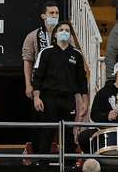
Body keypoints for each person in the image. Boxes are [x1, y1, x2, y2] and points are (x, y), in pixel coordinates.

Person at [31, 22, 88, 161]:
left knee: (68, 133)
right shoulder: (46, 52)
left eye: (67, 30)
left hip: (68, 100)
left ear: (70, 34)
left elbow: (82, 81)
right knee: (47, 132)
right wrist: (36, 97)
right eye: (61, 29)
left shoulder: (77, 54)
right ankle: (42, 166)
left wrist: (85, 103)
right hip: (48, 99)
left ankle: (69, 166)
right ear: (55, 34)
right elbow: (37, 77)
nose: (64, 32)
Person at [21, 1, 61, 99]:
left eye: (57, 13)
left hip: (61, 84)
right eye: (51, 13)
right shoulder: (32, 36)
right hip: (41, 84)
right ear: (43, 16)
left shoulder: (66, 36)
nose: (55, 15)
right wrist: (28, 84)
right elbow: (28, 61)